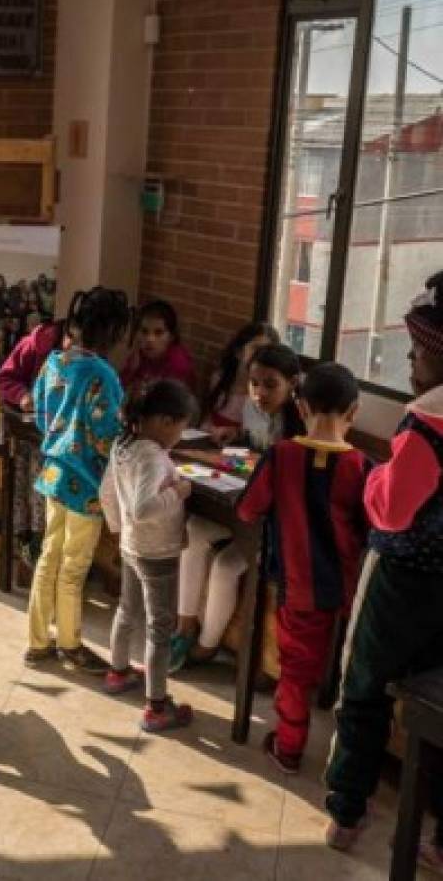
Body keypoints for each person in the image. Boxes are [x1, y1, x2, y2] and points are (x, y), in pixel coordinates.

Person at [325, 274, 443, 865]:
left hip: (400, 582)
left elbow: (392, 512)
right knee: (435, 710)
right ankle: (439, 837)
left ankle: (347, 808)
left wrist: (374, 476)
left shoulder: (426, 424)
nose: (410, 360)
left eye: (419, 351)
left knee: (363, 688)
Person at [234, 362, 368, 774]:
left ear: (301, 404)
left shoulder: (282, 456)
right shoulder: (363, 466)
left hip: (300, 588)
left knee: (294, 672)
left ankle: (289, 747)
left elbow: (248, 508)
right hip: (350, 591)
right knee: (345, 673)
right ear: (354, 412)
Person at [171, 343, 305, 671]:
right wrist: (234, 440)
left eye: (271, 385)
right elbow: (250, 451)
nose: (259, 392)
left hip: (271, 529)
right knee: (193, 531)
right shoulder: (251, 408)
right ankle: (184, 626)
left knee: (226, 566)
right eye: (254, 383)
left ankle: (207, 646)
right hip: (241, 509)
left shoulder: (300, 424)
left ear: (293, 383)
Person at [25, 286, 131, 673]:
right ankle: (70, 643)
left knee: (49, 556)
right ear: (113, 332)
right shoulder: (103, 374)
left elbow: (40, 415)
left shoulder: (53, 363)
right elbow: (107, 435)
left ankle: (38, 643)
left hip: (53, 473)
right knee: (74, 567)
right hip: (86, 484)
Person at [100, 379, 198, 732]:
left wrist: (117, 531)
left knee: (127, 609)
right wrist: (180, 491)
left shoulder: (123, 445)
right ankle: (157, 706)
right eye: (181, 428)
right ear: (164, 422)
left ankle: (118, 671)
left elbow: (106, 492)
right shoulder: (153, 457)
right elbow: (143, 507)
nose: (180, 437)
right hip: (157, 552)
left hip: (131, 545)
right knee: (160, 628)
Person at [0, 316, 65, 566]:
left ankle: (44, 544)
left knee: (49, 492)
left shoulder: (87, 361)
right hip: (29, 436)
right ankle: (28, 543)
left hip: (62, 445)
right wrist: (22, 395)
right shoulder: (33, 345)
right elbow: (4, 379)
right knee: (28, 485)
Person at [202, 322, 281, 438]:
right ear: (238, 351)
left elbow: (261, 435)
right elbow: (207, 419)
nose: (261, 356)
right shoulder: (220, 378)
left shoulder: (264, 394)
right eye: (256, 349)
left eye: (267, 351)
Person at [119, 300, 197, 400]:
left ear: (171, 336)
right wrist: (131, 369)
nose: (149, 339)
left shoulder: (178, 365)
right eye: (144, 331)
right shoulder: (139, 355)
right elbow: (118, 389)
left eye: (158, 333)